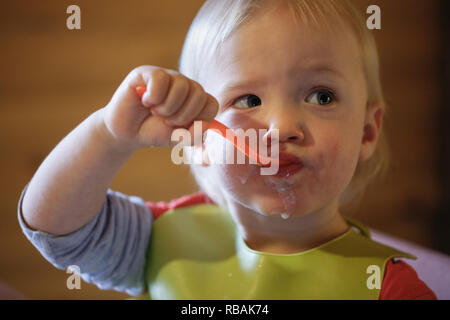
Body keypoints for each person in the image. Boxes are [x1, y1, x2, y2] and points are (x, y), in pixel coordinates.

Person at [18, 0, 436, 299]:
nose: (281, 128)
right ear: (197, 138)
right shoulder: (159, 240)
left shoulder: (389, 289)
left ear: (366, 132)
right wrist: (109, 135)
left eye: (321, 96)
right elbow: (55, 232)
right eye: (249, 100)